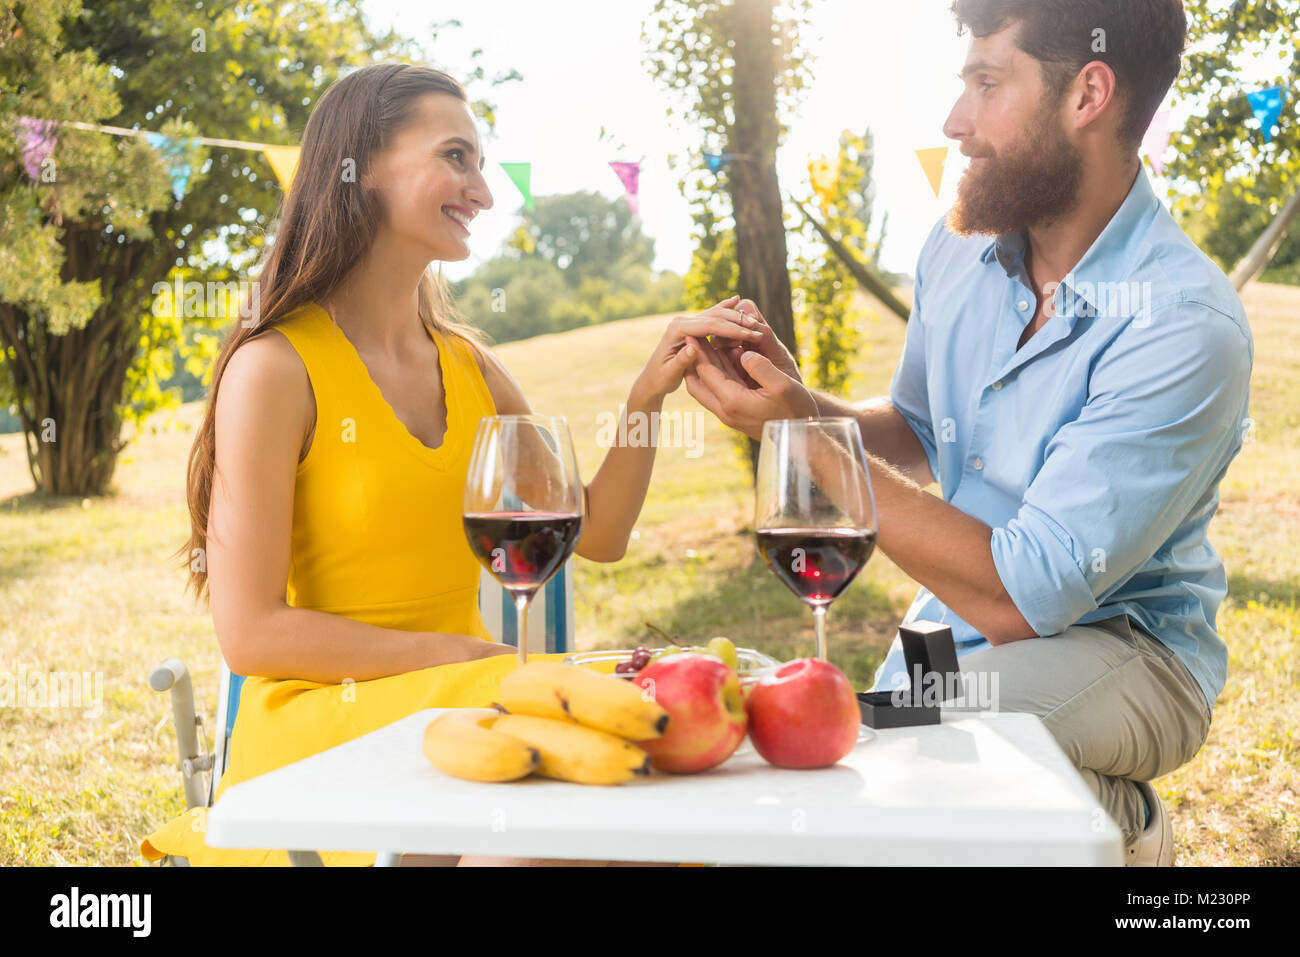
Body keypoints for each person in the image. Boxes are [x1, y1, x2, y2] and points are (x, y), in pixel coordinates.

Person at [139, 62, 762, 867]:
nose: (484, 191)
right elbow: (253, 632)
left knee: (630, 806)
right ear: (359, 171)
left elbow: (599, 532)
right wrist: (465, 657)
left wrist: (647, 394)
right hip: (324, 734)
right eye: (457, 157)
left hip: (466, 710)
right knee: (576, 818)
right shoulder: (275, 368)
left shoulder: (468, 364)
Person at [683, 0, 1251, 866]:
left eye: (987, 84)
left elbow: (1024, 594)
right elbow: (913, 427)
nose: (956, 124)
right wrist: (801, 406)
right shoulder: (961, 251)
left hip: (1129, 651)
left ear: (1088, 93)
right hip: (958, 631)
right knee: (870, 755)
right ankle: (1078, 804)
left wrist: (809, 443)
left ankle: (1124, 828)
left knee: (949, 741)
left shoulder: (1181, 322)